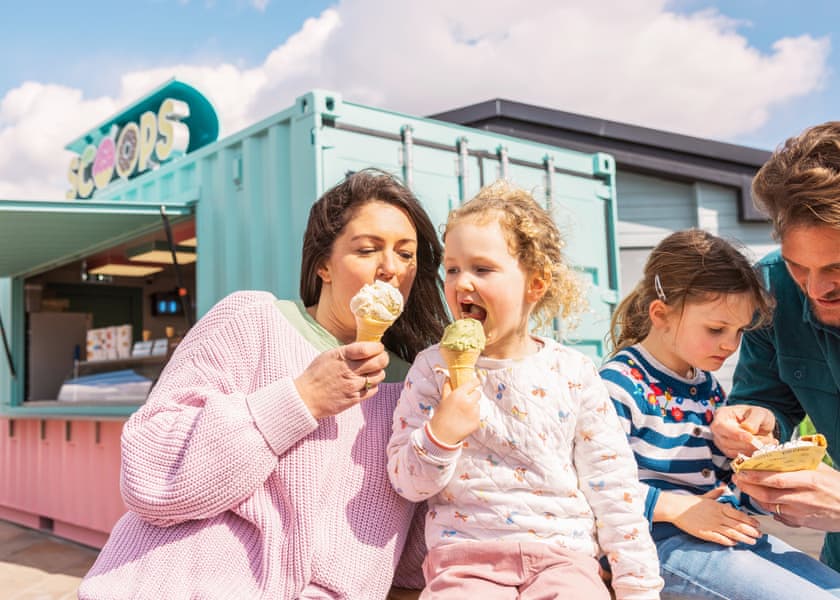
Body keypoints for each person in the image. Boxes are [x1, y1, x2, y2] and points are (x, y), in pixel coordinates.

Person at [79, 169, 449, 599]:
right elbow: (149, 475)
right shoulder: (253, 322)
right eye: (368, 249)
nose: (391, 268)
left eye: (406, 254)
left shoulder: (415, 389)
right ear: (324, 265)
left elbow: (408, 563)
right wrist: (301, 398)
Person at [386, 180, 664, 599]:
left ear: (535, 283)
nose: (462, 283)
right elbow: (408, 484)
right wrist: (440, 435)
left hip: (564, 559)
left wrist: (638, 588)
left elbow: (614, 489)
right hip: (464, 561)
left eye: (482, 269)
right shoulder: (431, 369)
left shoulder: (573, 373)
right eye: (454, 270)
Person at [600, 228, 840, 599]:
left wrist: (768, 480)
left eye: (740, 331)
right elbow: (591, 486)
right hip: (655, 544)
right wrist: (677, 509)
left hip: (725, 534)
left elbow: (721, 481)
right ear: (660, 314)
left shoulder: (707, 387)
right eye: (716, 329)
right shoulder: (617, 384)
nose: (730, 345)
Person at [709, 122, 840, 573]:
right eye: (798, 266)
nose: (817, 289)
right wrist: (752, 420)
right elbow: (765, 398)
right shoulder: (774, 288)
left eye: (837, 268)